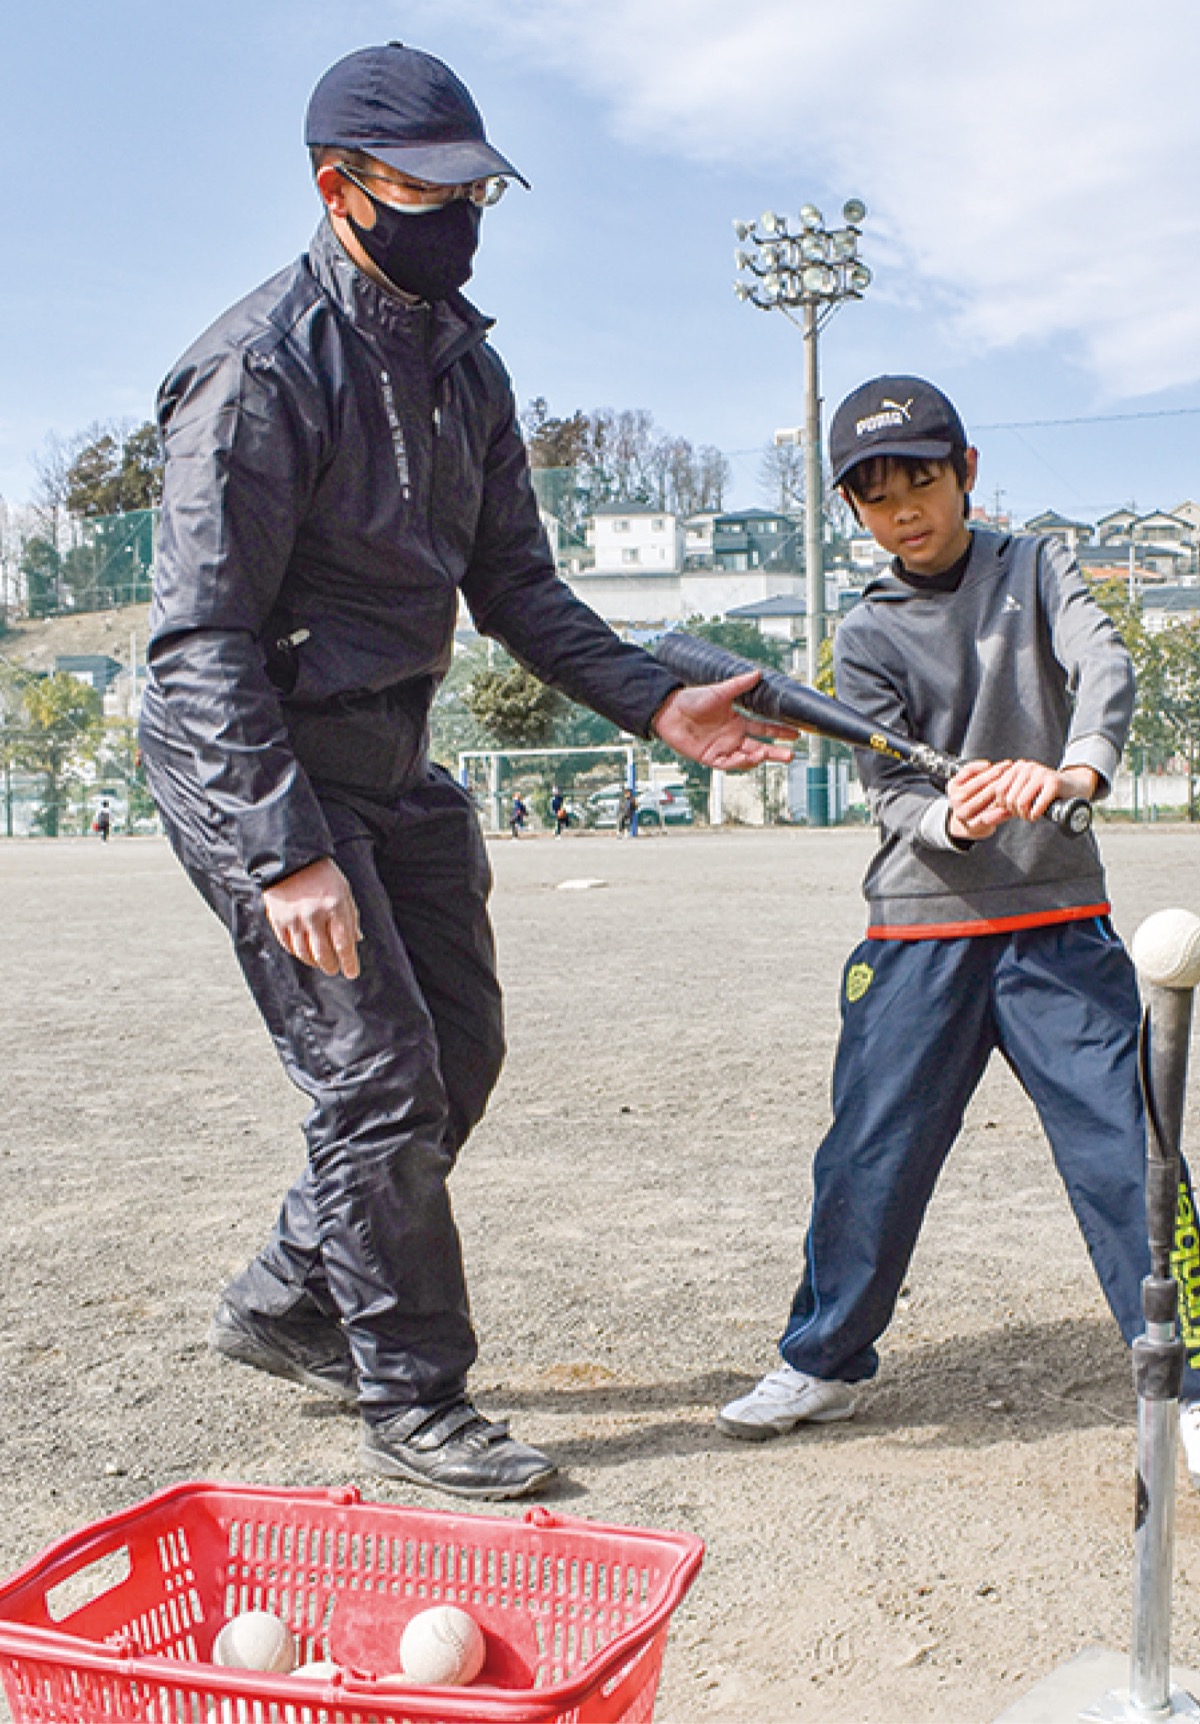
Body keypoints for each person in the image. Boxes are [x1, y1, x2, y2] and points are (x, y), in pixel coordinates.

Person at [139, 41, 789, 1503]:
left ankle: (292, 1293)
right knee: (374, 1073)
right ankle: (414, 1396)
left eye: (476, 191)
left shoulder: (463, 368)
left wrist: (658, 704)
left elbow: (521, 591)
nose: (461, 218)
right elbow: (200, 639)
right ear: (340, 190)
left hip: (390, 749)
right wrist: (283, 849)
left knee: (460, 1052)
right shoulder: (256, 370)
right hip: (259, 757)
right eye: (429, 193)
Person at [716, 374, 1200, 1468]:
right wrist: (952, 816)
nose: (905, 514)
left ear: (966, 472)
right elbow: (890, 790)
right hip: (916, 933)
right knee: (869, 1156)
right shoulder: (866, 632)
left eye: (922, 484)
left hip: (1058, 924)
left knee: (1130, 1149)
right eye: (876, 498)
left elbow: (1104, 662)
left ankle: (1193, 1377)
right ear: (852, 509)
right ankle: (824, 1361)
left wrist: (1075, 770)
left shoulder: (1037, 568)